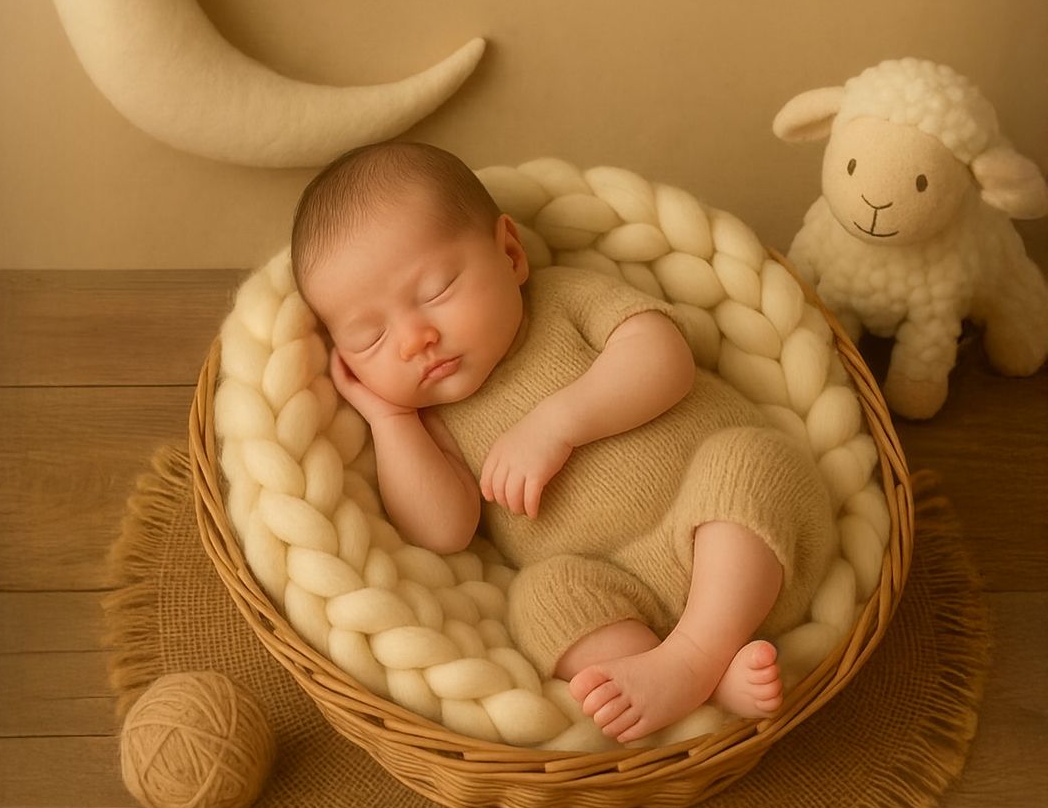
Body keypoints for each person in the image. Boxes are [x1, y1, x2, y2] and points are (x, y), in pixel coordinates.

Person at [292, 142, 837, 744]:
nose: (414, 339)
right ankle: (694, 673)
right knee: (540, 597)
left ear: (510, 254)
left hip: (752, 543)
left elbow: (663, 358)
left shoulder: (560, 301)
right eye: (370, 338)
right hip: (629, 595)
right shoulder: (433, 421)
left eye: (437, 290)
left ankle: (695, 656)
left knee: (746, 459)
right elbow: (443, 530)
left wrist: (557, 424)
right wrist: (390, 418)